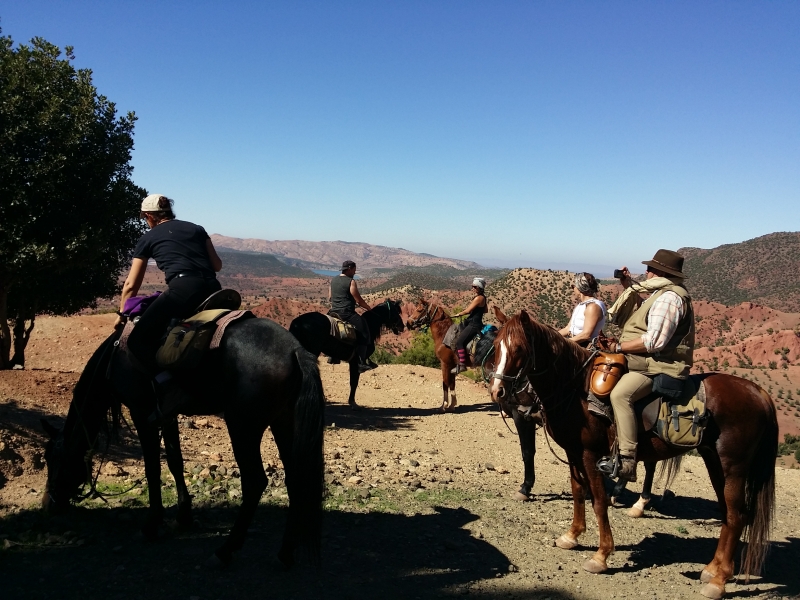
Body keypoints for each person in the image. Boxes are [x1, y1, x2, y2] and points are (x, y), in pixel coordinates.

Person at [113, 194, 222, 423]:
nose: (145, 221)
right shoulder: (197, 229)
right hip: (214, 287)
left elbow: (131, 284)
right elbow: (217, 265)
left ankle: (171, 387)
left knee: (137, 341)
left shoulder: (148, 237)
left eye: (145, 217)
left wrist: (122, 315)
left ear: (150, 216)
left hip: (183, 289)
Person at [607, 249, 694, 482]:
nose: (645, 272)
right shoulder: (662, 294)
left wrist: (618, 348)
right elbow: (648, 310)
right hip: (649, 361)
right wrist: (628, 285)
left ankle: (626, 459)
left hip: (658, 365)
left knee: (619, 395)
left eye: (650, 269)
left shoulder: (670, 298)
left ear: (660, 272)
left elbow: (654, 342)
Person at [328, 260, 375, 372]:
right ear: (349, 268)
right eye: (354, 269)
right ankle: (360, 363)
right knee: (364, 331)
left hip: (333, 312)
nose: (355, 271)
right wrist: (368, 308)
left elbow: (330, 297)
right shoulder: (351, 281)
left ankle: (333, 356)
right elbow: (358, 300)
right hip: (346, 313)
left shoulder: (333, 280)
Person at [450, 277, 488, 374]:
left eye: (474, 286)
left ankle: (462, 365)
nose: (472, 288)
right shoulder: (483, 297)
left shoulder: (479, 298)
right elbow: (486, 310)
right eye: (472, 286)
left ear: (479, 287)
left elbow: (468, 310)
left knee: (459, 342)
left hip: (473, 324)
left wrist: (458, 314)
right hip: (477, 323)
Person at [559, 272, 606, 347]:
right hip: (575, 343)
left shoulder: (593, 307)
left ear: (579, 288)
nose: (573, 289)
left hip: (585, 347)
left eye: (573, 286)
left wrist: (564, 342)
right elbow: (568, 329)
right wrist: (551, 337)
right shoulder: (581, 305)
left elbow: (586, 335)